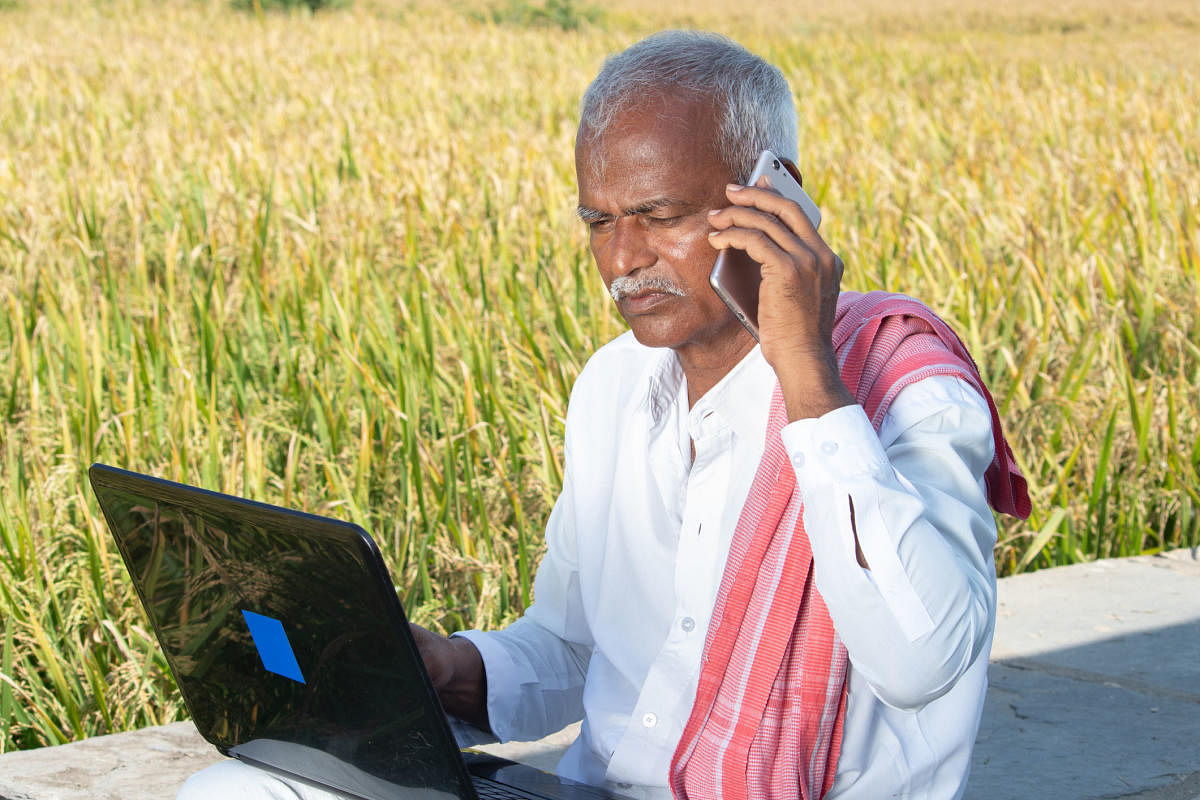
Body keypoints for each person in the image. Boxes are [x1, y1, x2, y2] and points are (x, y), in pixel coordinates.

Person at [179, 30, 1028, 800]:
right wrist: (447, 672)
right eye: (598, 220)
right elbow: (576, 649)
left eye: (659, 216)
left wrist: (807, 371)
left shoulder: (903, 388)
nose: (622, 260)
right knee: (241, 791)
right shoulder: (615, 385)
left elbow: (925, 664)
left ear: (776, 200)